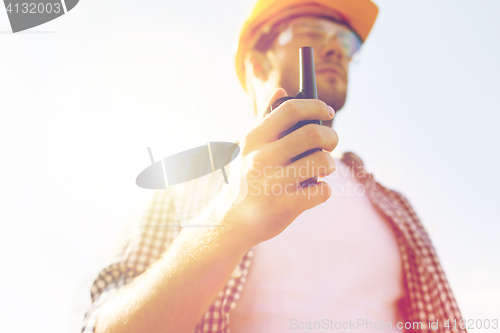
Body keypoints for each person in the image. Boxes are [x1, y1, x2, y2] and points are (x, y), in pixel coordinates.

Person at [82, 0, 466, 332]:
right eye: (314, 32)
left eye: (345, 41)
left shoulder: (395, 209)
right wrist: (231, 219)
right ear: (257, 64)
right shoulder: (185, 186)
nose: (335, 49)